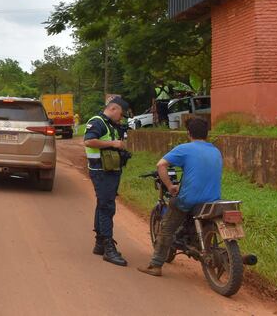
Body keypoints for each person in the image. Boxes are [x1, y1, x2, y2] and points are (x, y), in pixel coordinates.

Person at [138, 117, 222, 277]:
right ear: (207, 134)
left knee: (167, 227)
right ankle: (200, 241)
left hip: (189, 199)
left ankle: (155, 265)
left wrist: (170, 186)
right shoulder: (215, 150)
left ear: (189, 133)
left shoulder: (185, 148)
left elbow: (161, 165)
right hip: (213, 200)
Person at [84, 96, 130, 266]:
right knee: (107, 207)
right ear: (113, 109)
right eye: (121, 114)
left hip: (110, 171)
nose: (121, 117)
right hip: (101, 171)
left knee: (102, 204)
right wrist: (114, 143)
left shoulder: (110, 123)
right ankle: (108, 247)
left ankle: (99, 243)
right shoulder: (97, 122)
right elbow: (88, 140)